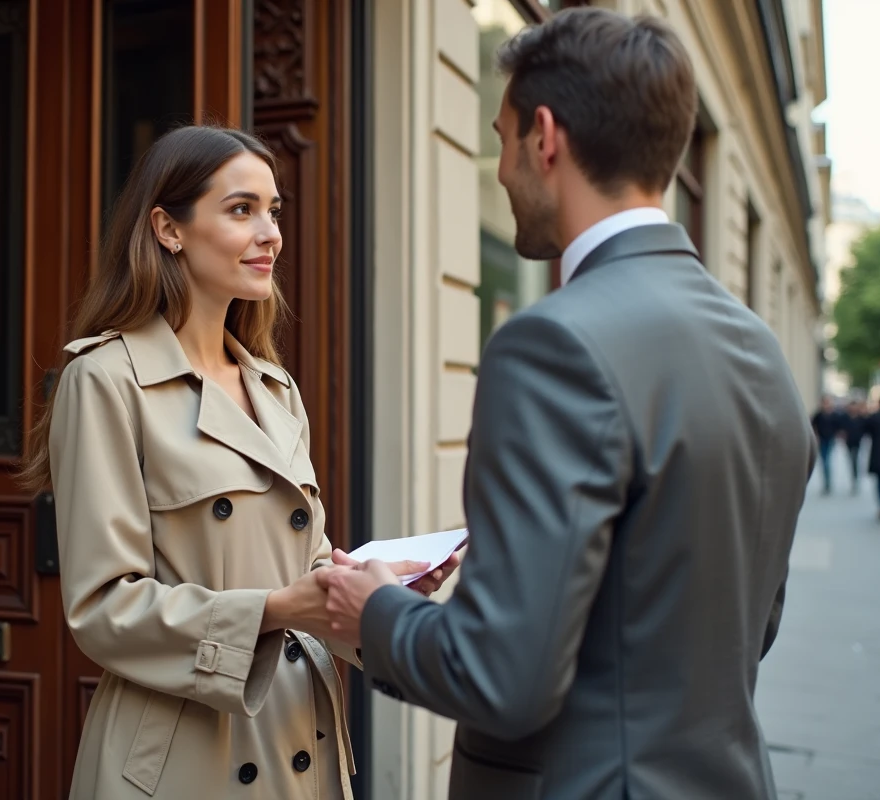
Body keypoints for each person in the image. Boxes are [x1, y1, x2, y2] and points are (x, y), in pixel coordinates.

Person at [312, 9, 814, 800]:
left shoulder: (551, 345)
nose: (503, 170)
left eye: (502, 137)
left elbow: (500, 676)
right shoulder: (761, 350)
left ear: (544, 137)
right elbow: (746, 627)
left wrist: (369, 611)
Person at [18, 125, 452, 800]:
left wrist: (367, 596)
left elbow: (301, 566)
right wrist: (282, 607)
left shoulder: (273, 387)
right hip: (185, 758)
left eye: (273, 210)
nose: (271, 232)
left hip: (299, 738)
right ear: (169, 228)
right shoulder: (105, 380)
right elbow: (102, 609)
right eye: (242, 209)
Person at [810, 395, 844, 495]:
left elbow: (838, 427)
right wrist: (816, 437)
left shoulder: (834, 415)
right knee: (825, 461)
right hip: (822, 440)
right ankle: (826, 483)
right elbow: (813, 426)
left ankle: (828, 483)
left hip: (830, 440)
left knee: (827, 461)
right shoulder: (819, 415)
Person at [841, 399, 868, 495]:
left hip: (857, 442)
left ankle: (855, 479)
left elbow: (866, 429)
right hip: (849, 442)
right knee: (851, 460)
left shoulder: (861, 418)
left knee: (854, 460)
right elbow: (841, 429)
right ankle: (854, 478)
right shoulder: (845, 417)